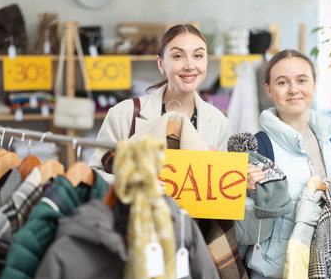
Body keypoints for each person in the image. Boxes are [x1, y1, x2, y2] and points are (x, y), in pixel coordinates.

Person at [242, 49, 331, 279]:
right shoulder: (259, 146)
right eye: (282, 82)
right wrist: (250, 193)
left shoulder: (326, 138)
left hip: (327, 275)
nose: (293, 89)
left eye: (302, 80)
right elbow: (242, 229)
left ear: (313, 84)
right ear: (269, 89)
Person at [89, 24, 230, 183]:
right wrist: (134, 183)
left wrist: (220, 168)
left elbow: (223, 187)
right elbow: (94, 175)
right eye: (178, 56)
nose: (190, 66)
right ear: (161, 64)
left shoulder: (219, 122)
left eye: (198, 55)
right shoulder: (123, 113)